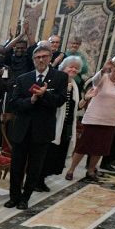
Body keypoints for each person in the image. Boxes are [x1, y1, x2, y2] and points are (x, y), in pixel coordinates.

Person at [5, 46, 66, 209]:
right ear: (33, 60)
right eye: (37, 57)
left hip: (42, 130)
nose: (41, 60)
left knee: (34, 168)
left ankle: (25, 198)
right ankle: (14, 197)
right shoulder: (23, 78)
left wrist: (44, 94)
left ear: (50, 58)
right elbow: (14, 103)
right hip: (22, 129)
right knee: (16, 166)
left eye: (44, 56)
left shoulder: (60, 77)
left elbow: (60, 101)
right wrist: (30, 100)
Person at [65, 55, 115, 181]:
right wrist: (104, 69)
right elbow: (94, 82)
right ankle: (71, 169)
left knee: (100, 148)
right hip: (93, 118)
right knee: (83, 146)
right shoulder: (103, 77)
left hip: (110, 120)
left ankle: (90, 170)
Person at [41, 56, 82, 185]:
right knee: (48, 152)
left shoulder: (75, 85)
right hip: (54, 122)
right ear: (63, 68)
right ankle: (39, 179)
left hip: (67, 124)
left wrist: (85, 98)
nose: (73, 70)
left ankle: (45, 178)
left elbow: (75, 106)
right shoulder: (57, 81)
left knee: (58, 154)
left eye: (76, 68)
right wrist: (65, 91)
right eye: (71, 67)